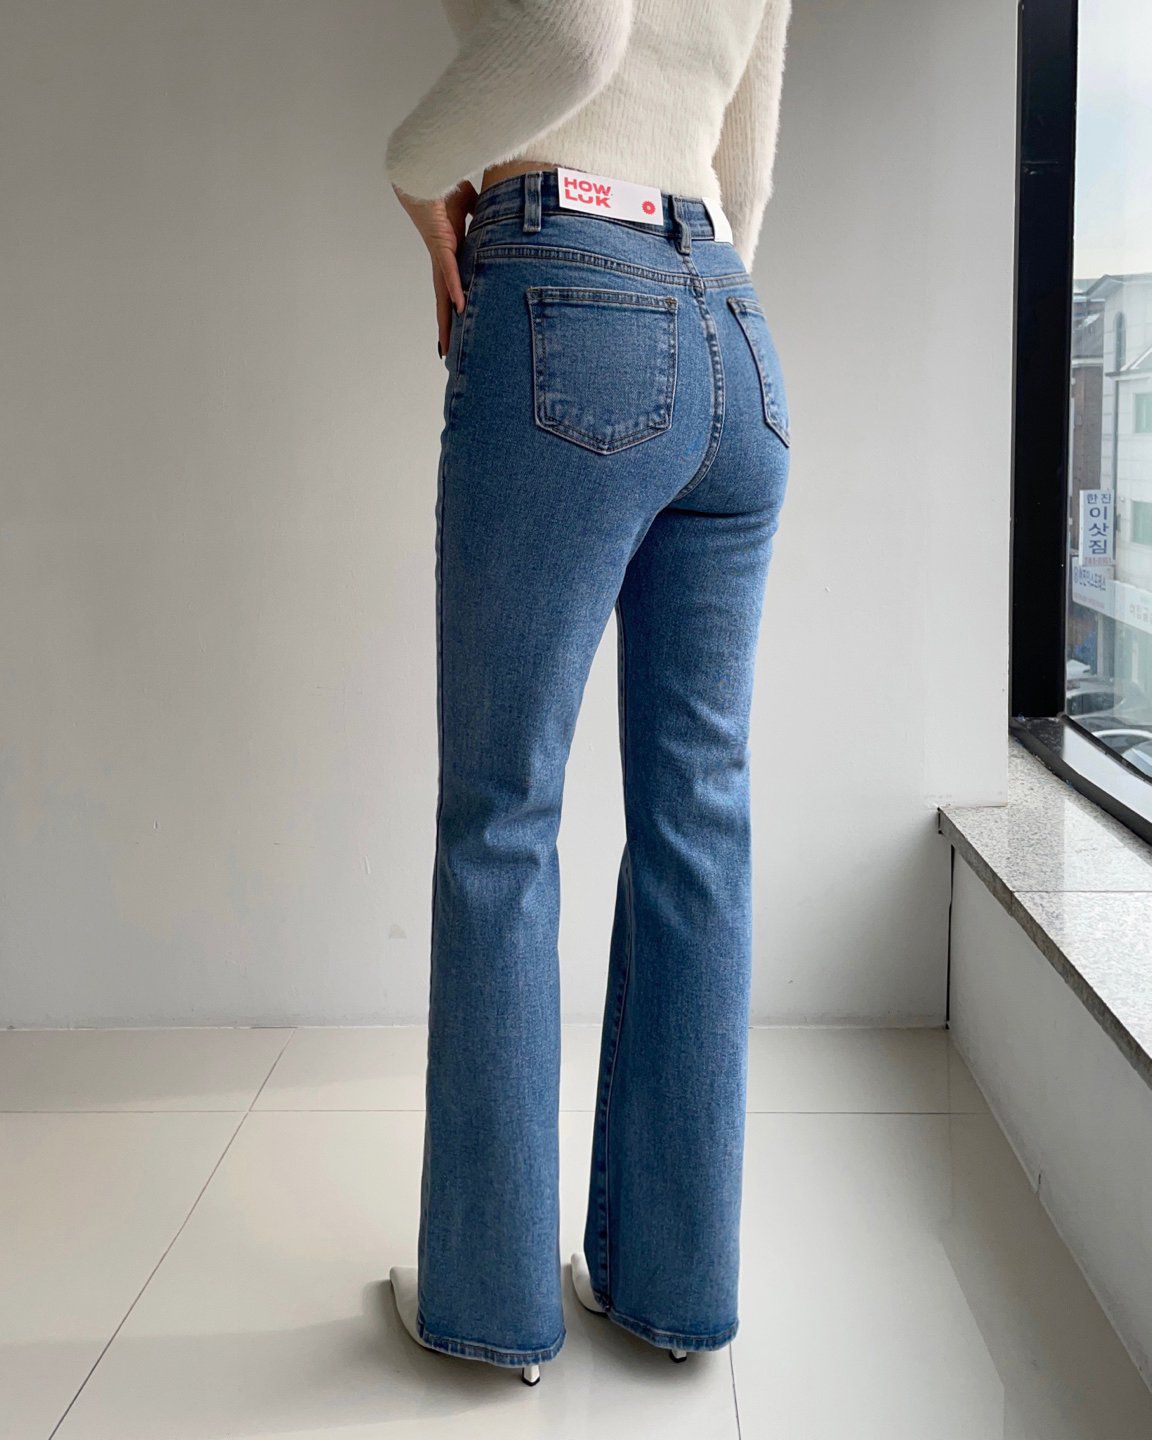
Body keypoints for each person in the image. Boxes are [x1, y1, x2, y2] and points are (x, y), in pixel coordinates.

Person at [384, 0, 793, 1386]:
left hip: (566, 275)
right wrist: (684, 308)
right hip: (736, 331)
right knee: (699, 824)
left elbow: (571, 39)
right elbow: (745, 167)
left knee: (502, 819)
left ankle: (491, 1307)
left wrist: (410, 173)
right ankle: (674, 1291)